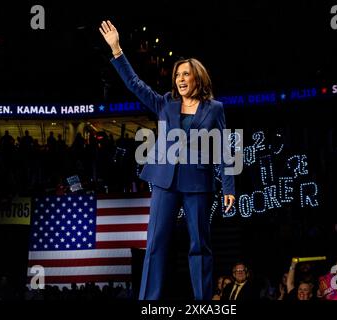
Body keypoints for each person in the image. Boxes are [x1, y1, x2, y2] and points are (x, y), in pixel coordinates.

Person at [99, 20, 235, 300]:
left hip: (198, 183)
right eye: (177, 75)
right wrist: (117, 50)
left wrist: (230, 187)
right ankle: (149, 300)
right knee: (156, 243)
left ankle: (203, 301)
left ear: (198, 77)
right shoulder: (165, 103)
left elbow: (224, 149)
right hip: (164, 181)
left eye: (186, 74)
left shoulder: (215, 109)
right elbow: (135, 85)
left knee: (200, 245)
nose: (180, 79)